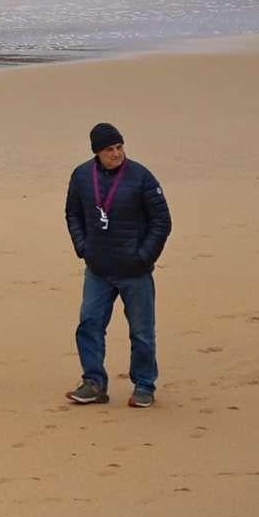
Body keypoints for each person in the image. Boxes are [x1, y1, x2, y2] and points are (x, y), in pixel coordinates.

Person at [66, 120, 169, 406]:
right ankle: (93, 382)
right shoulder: (82, 176)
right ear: (97, 152)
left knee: (141, 331)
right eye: (110, 149)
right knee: (89, 325)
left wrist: (144, 256)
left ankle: (145, 385)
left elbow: (162, 222)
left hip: (135, 271)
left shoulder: (141, 177)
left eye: (120, 147)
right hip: (98, 270)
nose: (117, 153)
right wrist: (83, 248)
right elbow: (72, 214)